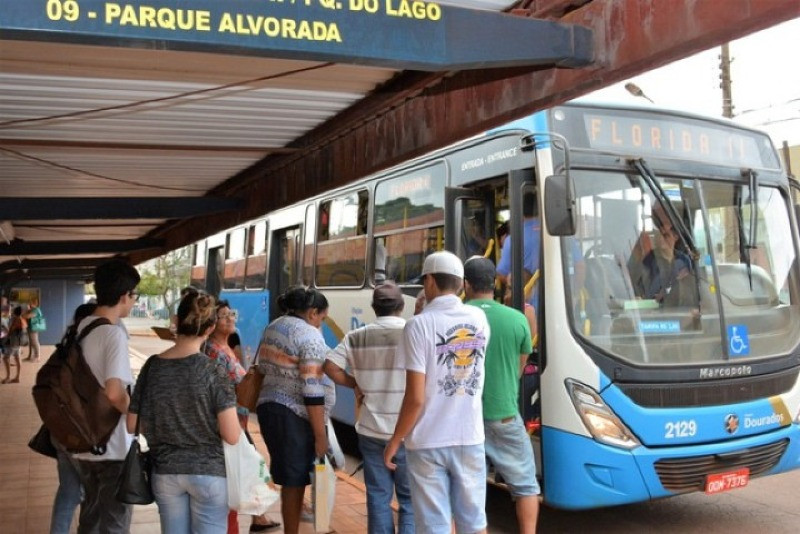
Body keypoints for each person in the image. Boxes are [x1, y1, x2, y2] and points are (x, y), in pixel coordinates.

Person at [384, 251, 490, 534]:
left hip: (428, 442)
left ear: (429, 281)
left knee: (434, 526)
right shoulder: (479, 319)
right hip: (469, 437)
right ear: (460, 283)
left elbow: (416, 397)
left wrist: (395, 440)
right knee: (473, 522)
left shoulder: (418, 326)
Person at [128, 291, 241, 533]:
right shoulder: (214, 371)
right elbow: (232, 435)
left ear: (176, 322)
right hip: (209, 474)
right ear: (210, 329)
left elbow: (131, 424)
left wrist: (167, 427)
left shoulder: (152, 367)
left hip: (165, 473)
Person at [324, 282, 414, 534]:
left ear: (374, 307)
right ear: (402, 306)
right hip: (407, 432)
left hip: (370, 430)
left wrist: (354, 383)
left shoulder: (357, 336)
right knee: (409, 501)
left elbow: (330, 366)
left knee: (377, 496)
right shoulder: (412, 333)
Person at [464, 257, 540, 533]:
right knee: (526, 485)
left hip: (465, 419)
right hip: (504, 414)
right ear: (494, 283)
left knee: (470, 486)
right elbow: (519, 368)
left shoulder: (458, 316)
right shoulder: (517, 319)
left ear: (466, 284)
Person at [255, 286, 330, 534]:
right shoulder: (309, 336)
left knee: (292, 478)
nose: (321, 323)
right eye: (322, 317)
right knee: (295, 481)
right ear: (312, 312)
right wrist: (321, 436)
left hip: (269, 408)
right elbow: (312, 389)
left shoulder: (275, 325)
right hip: (292, 413)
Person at [73, 259, 140, 534]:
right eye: (134, 296)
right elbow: (114, 393)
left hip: (84, 440)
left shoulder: (83, 326)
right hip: (111, 445)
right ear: (124, 296)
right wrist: (136, 417)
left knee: (90, 518)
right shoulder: (112, 335)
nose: (134, 301)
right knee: (114, 523)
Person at [204, 300, 280, 533]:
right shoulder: (213, 351)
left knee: (247, 468)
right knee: (242, 470)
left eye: (231, 314)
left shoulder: (225, 347)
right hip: (229, 422)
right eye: (223, 316)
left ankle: (258, 517)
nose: (230, 319)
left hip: (239, 419)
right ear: (212, 322)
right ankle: (248, 521)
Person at [49, 302, 96, 534]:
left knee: (68, 492)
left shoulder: (65, 347)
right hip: (83, 434)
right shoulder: (93, 349)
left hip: (60, 431)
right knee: (92, 493)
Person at [2, 306, 26, 383]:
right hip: (19, 342)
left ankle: (8, 377)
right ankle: (17, 377)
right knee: (17, 358)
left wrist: (5, 332)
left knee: (5, 358)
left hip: (12, 342)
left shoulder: (15, 319)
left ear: (14, 312)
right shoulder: (22, 319)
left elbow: (10, 331)